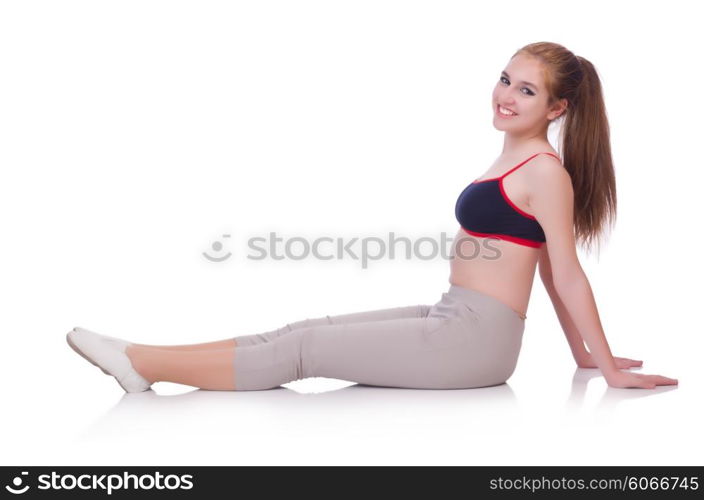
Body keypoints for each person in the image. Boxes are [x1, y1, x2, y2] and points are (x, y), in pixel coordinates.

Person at [66, 42, 678, 392]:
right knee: (300, 328)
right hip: (454, 315)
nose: (505, 95)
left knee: (303, 351)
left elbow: (565, 274)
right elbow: (542, 269)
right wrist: (582, 358)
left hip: (475, 344)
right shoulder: (512, 155)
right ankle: (142, 354)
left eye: (526, 91)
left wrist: (604, 363)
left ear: (557, 107)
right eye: (505, 79)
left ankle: (141, 363)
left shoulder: (545, 171)